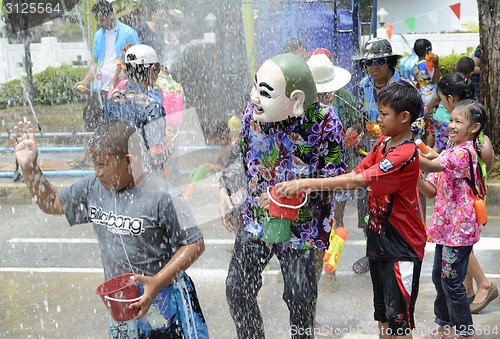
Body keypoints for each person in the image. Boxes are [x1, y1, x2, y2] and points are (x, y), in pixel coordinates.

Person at [10, 120, 208, 338]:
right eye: (94, 164)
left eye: (102, 164)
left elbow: (194, 244)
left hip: (165, 296)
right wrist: (30, 169)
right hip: (123, 302)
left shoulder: (163, 195)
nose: (97, 172)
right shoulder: (94, 188)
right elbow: (53, 202)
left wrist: (156, 282)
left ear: (129, 161)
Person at [276, 81, 427, 339]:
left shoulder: (403, 154)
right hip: (380, 245)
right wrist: (310, 187)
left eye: (384, 114)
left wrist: (306, 183)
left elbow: (358, 181)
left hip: (402, 248)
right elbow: (354, 172)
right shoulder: (382, 145)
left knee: (400, 325)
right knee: (383, 321)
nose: (378, 119)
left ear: (404, 118)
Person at [218, 53, 348, 338]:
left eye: (264, 92)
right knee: (237, 289)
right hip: (257, 219)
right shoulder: (253, 115)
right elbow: (239, 157)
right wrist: (225, 189)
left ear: (297, 99)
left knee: (300, 297)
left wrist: (294, 191)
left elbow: (338, 179)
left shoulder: (325, 123)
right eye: (255, 87)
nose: (254, 98)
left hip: (301, 226)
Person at [417, 99, 488, 339]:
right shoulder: (450, 151)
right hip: (447, 229)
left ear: (474, 127)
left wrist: (404, 151)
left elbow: (431, 164)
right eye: (451, 120)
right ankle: (444, 329)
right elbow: (430, 190)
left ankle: (465, 333)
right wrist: (412, 171)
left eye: (459, 121)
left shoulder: (463, 153)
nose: (452, 125)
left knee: (452, 281)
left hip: (459, 231)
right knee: (440, 277)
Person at [354, 37, 425, 274]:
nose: (374, 67)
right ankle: (372, 251)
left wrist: (392, 134)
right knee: (369, 207)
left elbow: (420, 122)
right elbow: (359, 118)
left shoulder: (405, 87)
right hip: (371, 153)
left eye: (380, 61)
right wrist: (355, 132)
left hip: (399, 156)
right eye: (369, 63)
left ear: (390, 62)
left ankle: (405, 251)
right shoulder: (362, 86)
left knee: (400, 207)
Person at [307, 51, 359, 290]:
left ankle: (330, 269)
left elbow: (357, 122)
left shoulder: (343, 99)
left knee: (332, 222)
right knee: (322, 225)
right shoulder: (326, 116)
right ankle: (317, 275)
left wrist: (353, 133)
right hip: (332, 178)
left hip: (321, 180)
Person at [73, 0, 140, 167]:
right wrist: (84, 80)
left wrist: (125, 76)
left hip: (119, 88)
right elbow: (95, 63)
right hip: (100, 88)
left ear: (110, 15)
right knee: (90, 117)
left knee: (116, 122)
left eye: (101, 19)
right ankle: (87, 154)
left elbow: (138, 60)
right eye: (97, 19)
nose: (99, 23)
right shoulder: (98, 35)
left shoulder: (128, 33)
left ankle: (118, 156)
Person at [102, 44, 172, 177]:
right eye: (157, 69)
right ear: (152, 69)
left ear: (127, 70)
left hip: (117, 178)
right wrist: (170, 147)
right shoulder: (152, 107)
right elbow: (156, 156)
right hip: (143, 182)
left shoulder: (111, 102)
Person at [410, 39, 439, 148]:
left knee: (421, 126)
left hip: (422, 99)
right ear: (428, 50)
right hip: (433, 99)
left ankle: (419, 151)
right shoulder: (429, 64)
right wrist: (437, 65)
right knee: (431, 128)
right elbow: (436, 79)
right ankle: (430, 151)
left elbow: (415, 85)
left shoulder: (414, 68)